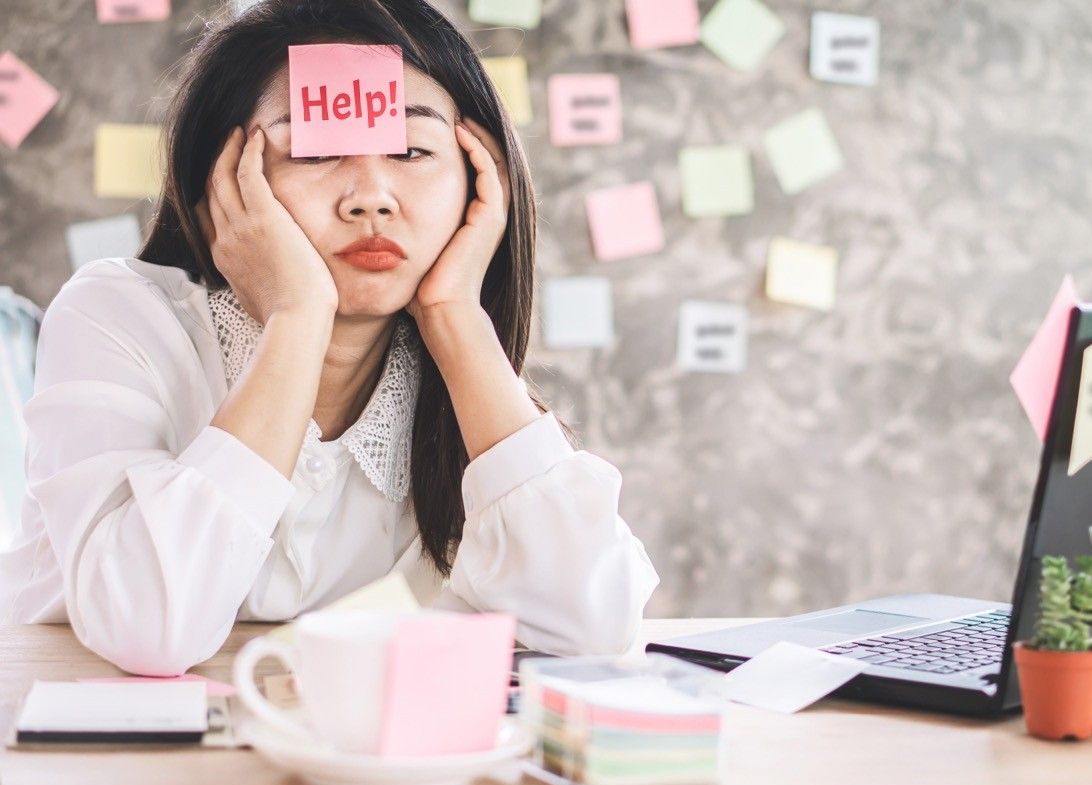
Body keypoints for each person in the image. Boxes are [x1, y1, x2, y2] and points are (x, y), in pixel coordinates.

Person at [0, 0, 659, 676]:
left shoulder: (454, 384)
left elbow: (594, 626)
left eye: (411, 149)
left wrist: (458, 316)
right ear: (222, 186)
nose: (370, 197)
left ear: (478, 185)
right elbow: (149, 629)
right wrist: (297, 319)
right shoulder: (115, 315)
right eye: (315, 150)